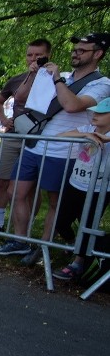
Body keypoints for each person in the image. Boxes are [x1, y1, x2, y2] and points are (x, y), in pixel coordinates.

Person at [0, 32, 110, 259]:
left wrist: (57, 80)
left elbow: (73, 105)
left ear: (98, 54)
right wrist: (32, 74)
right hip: (35, 144)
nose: (75, 53)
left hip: (64, 150)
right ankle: (21, 241)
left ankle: (43, 248)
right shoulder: (62, 75)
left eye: (82, 50)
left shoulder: (101, 83)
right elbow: (21, 98)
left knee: (54, 201)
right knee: (15, 191)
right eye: (75, 49)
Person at [0, 39, 52, 232]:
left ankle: (27, 227)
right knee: (2, 179)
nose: (33, 58)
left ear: (48, 55)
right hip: (13, 136)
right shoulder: (17, 79)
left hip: (38, 138)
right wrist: (4, 120)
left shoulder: (56, 79)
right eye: (29, 54)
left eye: (38, 55)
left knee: (31, 186)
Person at [51, 98, 110, 281]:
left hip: (99, 191)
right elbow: (59, 136)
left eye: (101, 113)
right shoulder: (86, 129)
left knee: (88, 226)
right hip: (75, 184)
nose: (95, 115)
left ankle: (78, 262)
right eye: (95, 112)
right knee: (61, 222)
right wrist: (85, 136)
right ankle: (73, 244)